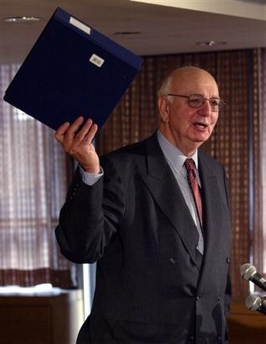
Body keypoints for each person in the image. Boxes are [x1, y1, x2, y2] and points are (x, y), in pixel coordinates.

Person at [54, 66, 231, 344]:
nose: (207, 111)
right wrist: (90, 171)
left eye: (214, 103)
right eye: (195, 100)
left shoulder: (215, 172)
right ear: (164, 107)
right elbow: (82, 247)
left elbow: (215, 270)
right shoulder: (119, 169)